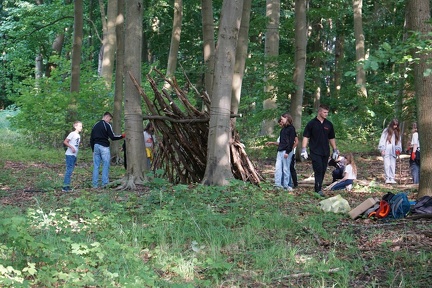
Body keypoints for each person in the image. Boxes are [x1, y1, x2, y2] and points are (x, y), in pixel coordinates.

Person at [301, 104, 339, 197]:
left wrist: (335, 150)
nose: (326, 114)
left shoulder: (328, 124)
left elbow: (331, 138)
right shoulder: (311, 123)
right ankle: (318, 189)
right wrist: (303, 149)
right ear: (319, 112)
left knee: (323, 170)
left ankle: (318, 186)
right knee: (318, 169)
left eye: (327, 112)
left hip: (325, 151)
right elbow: (306, 136)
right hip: (315, 151)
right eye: (324, 112)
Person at [90, 112, 125, 188]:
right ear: (106, 117)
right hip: (104, 147)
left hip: (96, 146)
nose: (110, 121)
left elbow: (91, 138)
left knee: (96, 166)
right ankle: (105, 183)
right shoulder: (107, 125)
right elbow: (112, 137)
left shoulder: (95, 125)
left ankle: (94, 184)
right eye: (110, 119)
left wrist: (93, 149)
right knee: (106, 164)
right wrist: (122, 136)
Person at [274, 113, 296, 190]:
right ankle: (277, 184)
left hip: (286, 151)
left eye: (282, 119)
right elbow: (282, 141)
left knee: (285, 169)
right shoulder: (283, 129)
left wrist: (287, 152)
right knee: (278, 168)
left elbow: (291, 142)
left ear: (286, 118)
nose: (282, 121)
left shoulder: (291, 129)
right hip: (280, 150)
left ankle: (286, 185)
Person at [378, 118, 402, 184]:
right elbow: (382, 140)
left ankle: (392, 178)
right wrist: (382, 149)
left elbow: (399, 142)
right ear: (392, 124)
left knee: (392, 165)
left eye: (396, 125)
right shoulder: (386, 131)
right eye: (394, 125)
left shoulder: (397, 132)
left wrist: (398, 149)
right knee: (387, 164)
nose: (395, 126)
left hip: (393, 150)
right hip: (386, 149)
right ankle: (387, 178)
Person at [62, 121, 83, 192]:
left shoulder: (78, 135)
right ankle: (65, 187)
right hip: (70, 154)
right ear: (75, 126)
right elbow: (65, 142)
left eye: (81, 126)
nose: (81, 128)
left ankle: (67, 186)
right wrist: (71, 147)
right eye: (79, 126)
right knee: (69, 170)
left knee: (71, 171)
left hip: (74, 155)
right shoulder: (72, 134)